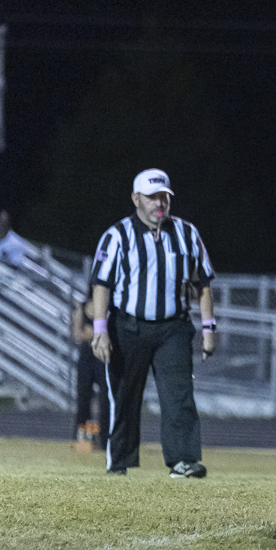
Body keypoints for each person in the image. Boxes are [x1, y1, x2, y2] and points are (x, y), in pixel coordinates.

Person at [90, 169, 216, 478]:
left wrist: (209, 328)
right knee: (123, 396)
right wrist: (100, 330)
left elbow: (203, 283)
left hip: (173, 327)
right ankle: (119, 461)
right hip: (128, 326)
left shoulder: (187, 233)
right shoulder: (117, 235)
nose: (159, 203)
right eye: (152, 197)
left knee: (179, 396)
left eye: (164, 197)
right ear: (136, 199)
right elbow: (102, 284)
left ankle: (183, 461)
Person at [71, 286, 109, 448]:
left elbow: (108, 333)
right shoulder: (82, 306)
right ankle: (83, 439)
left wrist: (92, 332)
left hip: (103, 357)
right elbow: (77, 334)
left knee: (105, 401)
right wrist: (98, 333)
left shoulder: (109, 307)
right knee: (83, 399)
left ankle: (105, 439)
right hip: (87, 357)